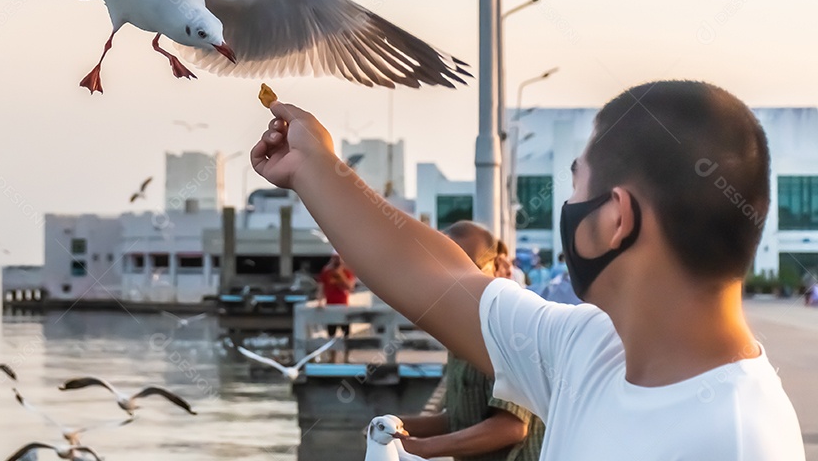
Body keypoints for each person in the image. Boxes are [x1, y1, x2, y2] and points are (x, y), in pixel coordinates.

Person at [251, 81, 804, 459]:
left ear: (615, 218)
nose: (567, 206)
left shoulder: (734, 439)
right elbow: (443, 280)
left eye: (575, 181)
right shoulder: (590, 348)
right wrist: (314, 168)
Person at [400, 221, 544, 461]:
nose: (452, 279)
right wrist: (396, 426)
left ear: (498, 267)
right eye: (442, 269)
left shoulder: (510, 329)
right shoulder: (460, 332)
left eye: (466, 267)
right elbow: (458, 419)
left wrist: (424, 449)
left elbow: (511, 427)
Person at [318, 253, 355, 362]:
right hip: (330, 307)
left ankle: (346, 358)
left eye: (338, 258)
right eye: (334, 258)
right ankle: (332, 358)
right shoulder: (326, 272)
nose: (336, 260)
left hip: (344, 307)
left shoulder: (347, 271)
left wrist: (340, 274)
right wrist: (320, 301)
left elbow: (350, 287)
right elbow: (321, 287)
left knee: (346, 334)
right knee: (331, 334)